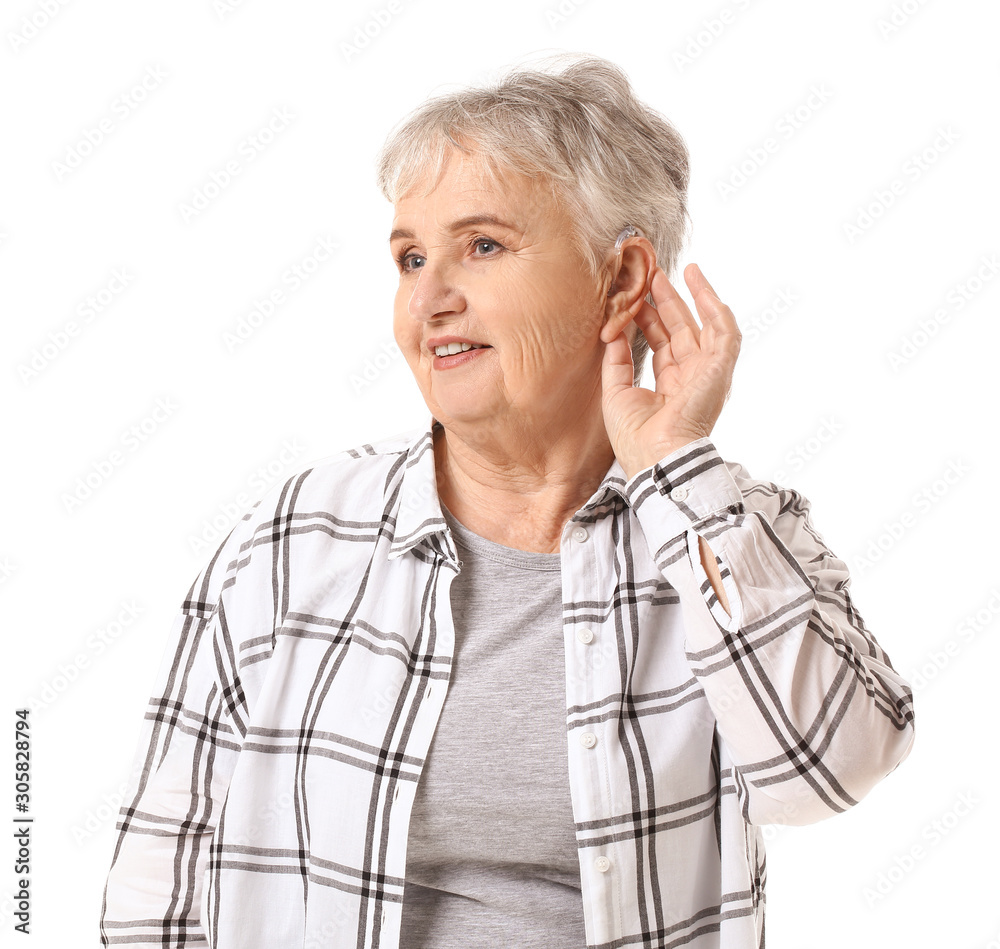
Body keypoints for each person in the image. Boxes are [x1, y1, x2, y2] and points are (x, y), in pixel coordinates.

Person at [100, 53, 915, 948]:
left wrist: (677, 465)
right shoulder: (296, 538)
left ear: (621, 278)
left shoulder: (724, 532)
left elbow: (830, 772)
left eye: (482, 245)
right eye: (411, 258)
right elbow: (161, 866)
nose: (429, 301)